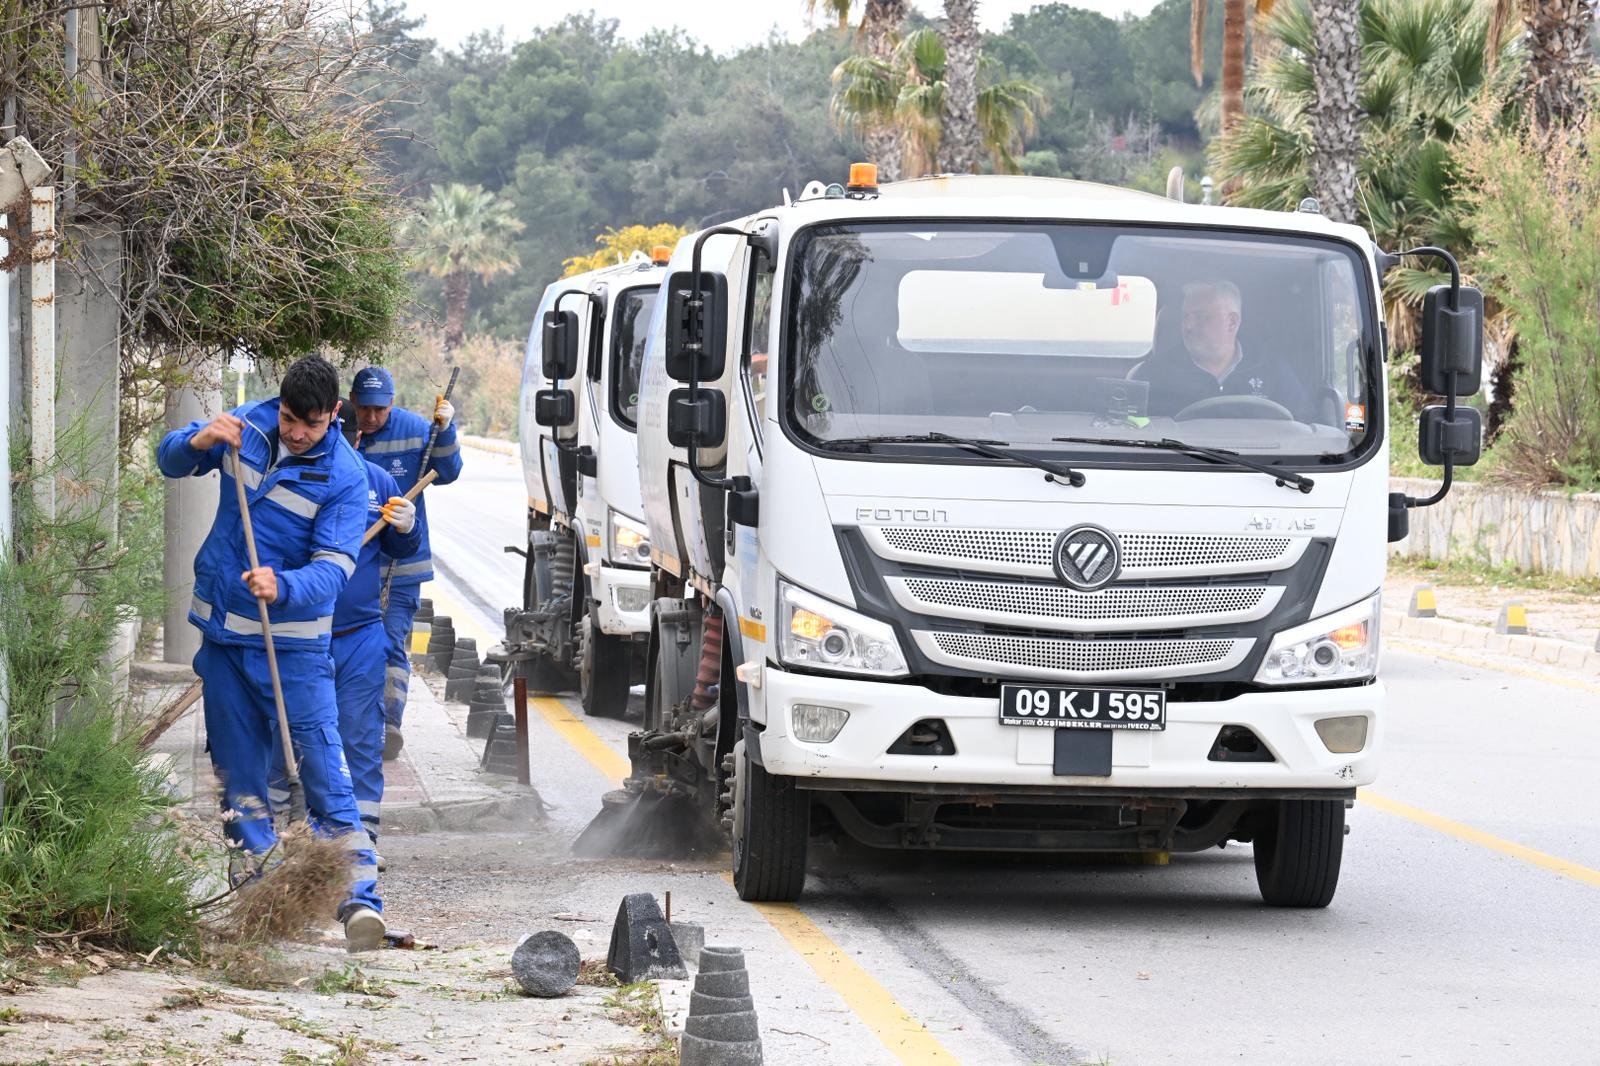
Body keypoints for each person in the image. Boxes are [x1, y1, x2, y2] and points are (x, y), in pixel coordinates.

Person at [157, 355, 384, 950]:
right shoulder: (249, 428)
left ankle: (360, 903)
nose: (295, 433)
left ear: (334, 415)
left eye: (309, 424)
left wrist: (283, 586)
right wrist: (198, 438)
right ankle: (259, 899)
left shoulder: (345, 477)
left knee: (326, 778)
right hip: (227, 643)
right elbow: (170, 458)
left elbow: (334, 568)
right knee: (239, 779)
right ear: (278, 405)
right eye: (289, 419)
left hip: (294, 651)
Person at [348, 367, 463, 759]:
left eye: (379, 410)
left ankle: (389, 723)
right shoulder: (344, 430)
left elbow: (448, 472)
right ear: (352, 401)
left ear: (392, 404)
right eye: (364, 408)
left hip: (403, 567)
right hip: (354, 565)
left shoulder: (417, 431)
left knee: (392, 644)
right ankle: (356, 721)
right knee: (352, 647)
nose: (371, 417)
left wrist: (445, 431)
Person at [1132, 280, 1311, 419]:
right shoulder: (1153, 374)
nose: (1188, 325)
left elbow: (1303, 426)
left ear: (1232, 322)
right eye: (1185, 316)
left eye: (1200, 317)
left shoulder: (1271, 369)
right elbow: (1132, 432)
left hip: (1260, 466)